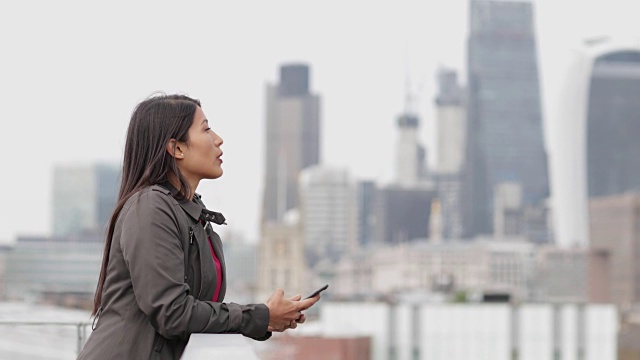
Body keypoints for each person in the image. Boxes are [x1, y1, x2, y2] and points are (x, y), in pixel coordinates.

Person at [77, 93, 320, 360]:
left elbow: (197, 315)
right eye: (205, 129)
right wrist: (261, 315)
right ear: (176, 148)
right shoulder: (150, 207)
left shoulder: (193, 214)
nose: (218, 139)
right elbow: (173, 313)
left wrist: (266, 319)